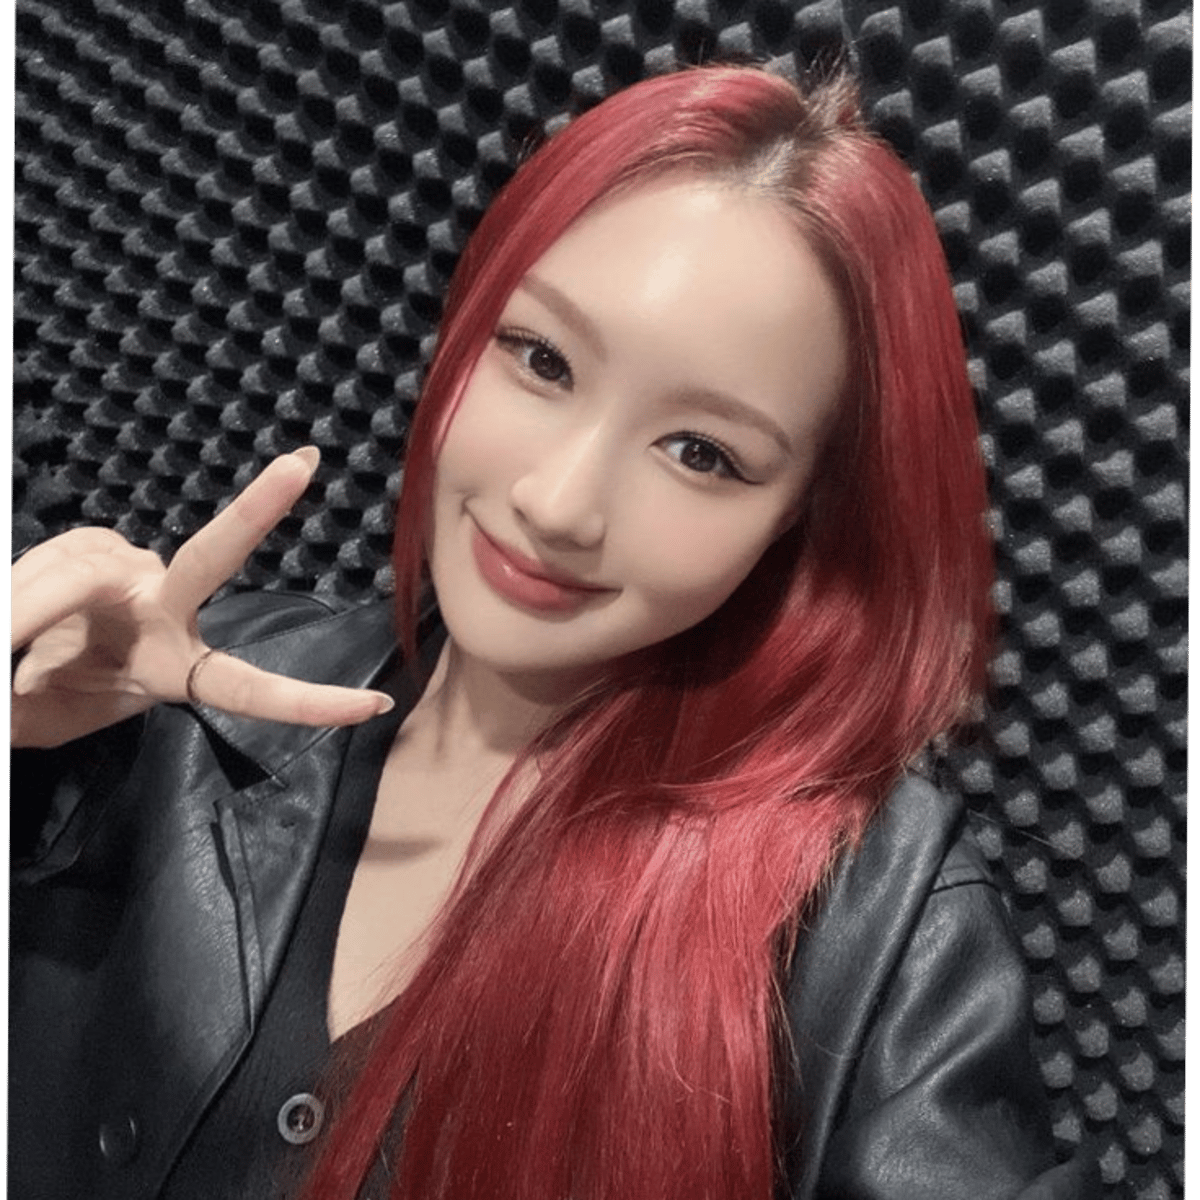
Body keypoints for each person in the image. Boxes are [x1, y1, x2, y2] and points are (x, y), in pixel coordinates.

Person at [8, 64, 1092, 1200]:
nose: (560, 503)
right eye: (542, 359)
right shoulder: (181, 692)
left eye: (701, 453)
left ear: (796, 523)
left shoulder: (873, 930)